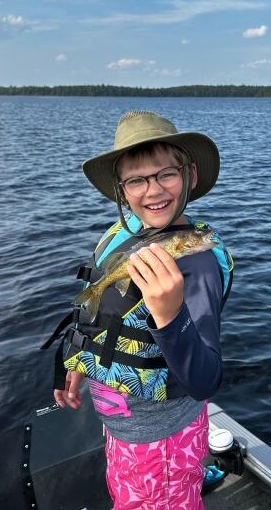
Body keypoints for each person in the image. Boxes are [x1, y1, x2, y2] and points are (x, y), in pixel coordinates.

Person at [49, 110, 233, 510]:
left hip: (161, 439)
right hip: (122, 424)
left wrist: (170, 316)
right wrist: (81, 363)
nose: (153, 191)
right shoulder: (121, 236)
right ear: (121, 190)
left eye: (166, 174)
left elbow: (205, 381)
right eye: (136, 180)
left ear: (190, 177)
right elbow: (104, 319)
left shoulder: (196, 262)